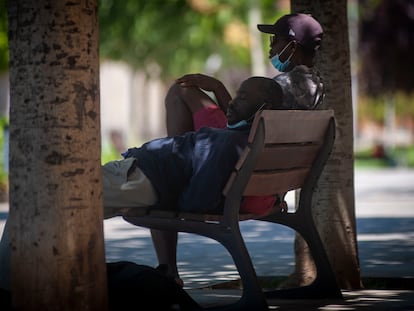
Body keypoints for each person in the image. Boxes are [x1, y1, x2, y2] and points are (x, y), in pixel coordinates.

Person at [0, 76, 283, 295]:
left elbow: (196, 201)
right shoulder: (245, 138)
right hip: (143, 174)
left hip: (140, 177)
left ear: (264, 108)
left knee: (36, 202)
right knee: (43, 205)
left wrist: (164, 201)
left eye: (242, 97)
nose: (232, 102)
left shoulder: (227, 143)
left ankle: (7, 286)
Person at [154, 13, 325, 286]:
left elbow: (238, 126)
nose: (270, 46)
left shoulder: (282, 87)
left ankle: (169, 270)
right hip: (263, 177)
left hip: (243, 170)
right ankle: (180, 158)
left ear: (292, 45)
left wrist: (217, 87)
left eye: (275, 39)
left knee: (180, 92)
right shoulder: (315, 86)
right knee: (183, 95)